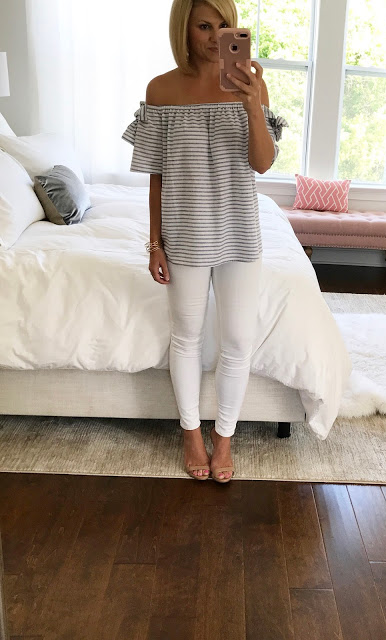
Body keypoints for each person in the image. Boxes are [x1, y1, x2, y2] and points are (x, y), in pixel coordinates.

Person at [122, 0, 288, 483]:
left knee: (237, 339)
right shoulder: (161, 90)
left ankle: (225, 437)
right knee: (187, 336)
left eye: (224, 25)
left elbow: (262, 163)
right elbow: (156, 176)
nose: (216, 36)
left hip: (239, 230)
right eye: (203, 26)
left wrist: (252, 104)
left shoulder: (250, 85)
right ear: (184, 29)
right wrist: (154, 244)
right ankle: (191, 432)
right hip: (185, 232)